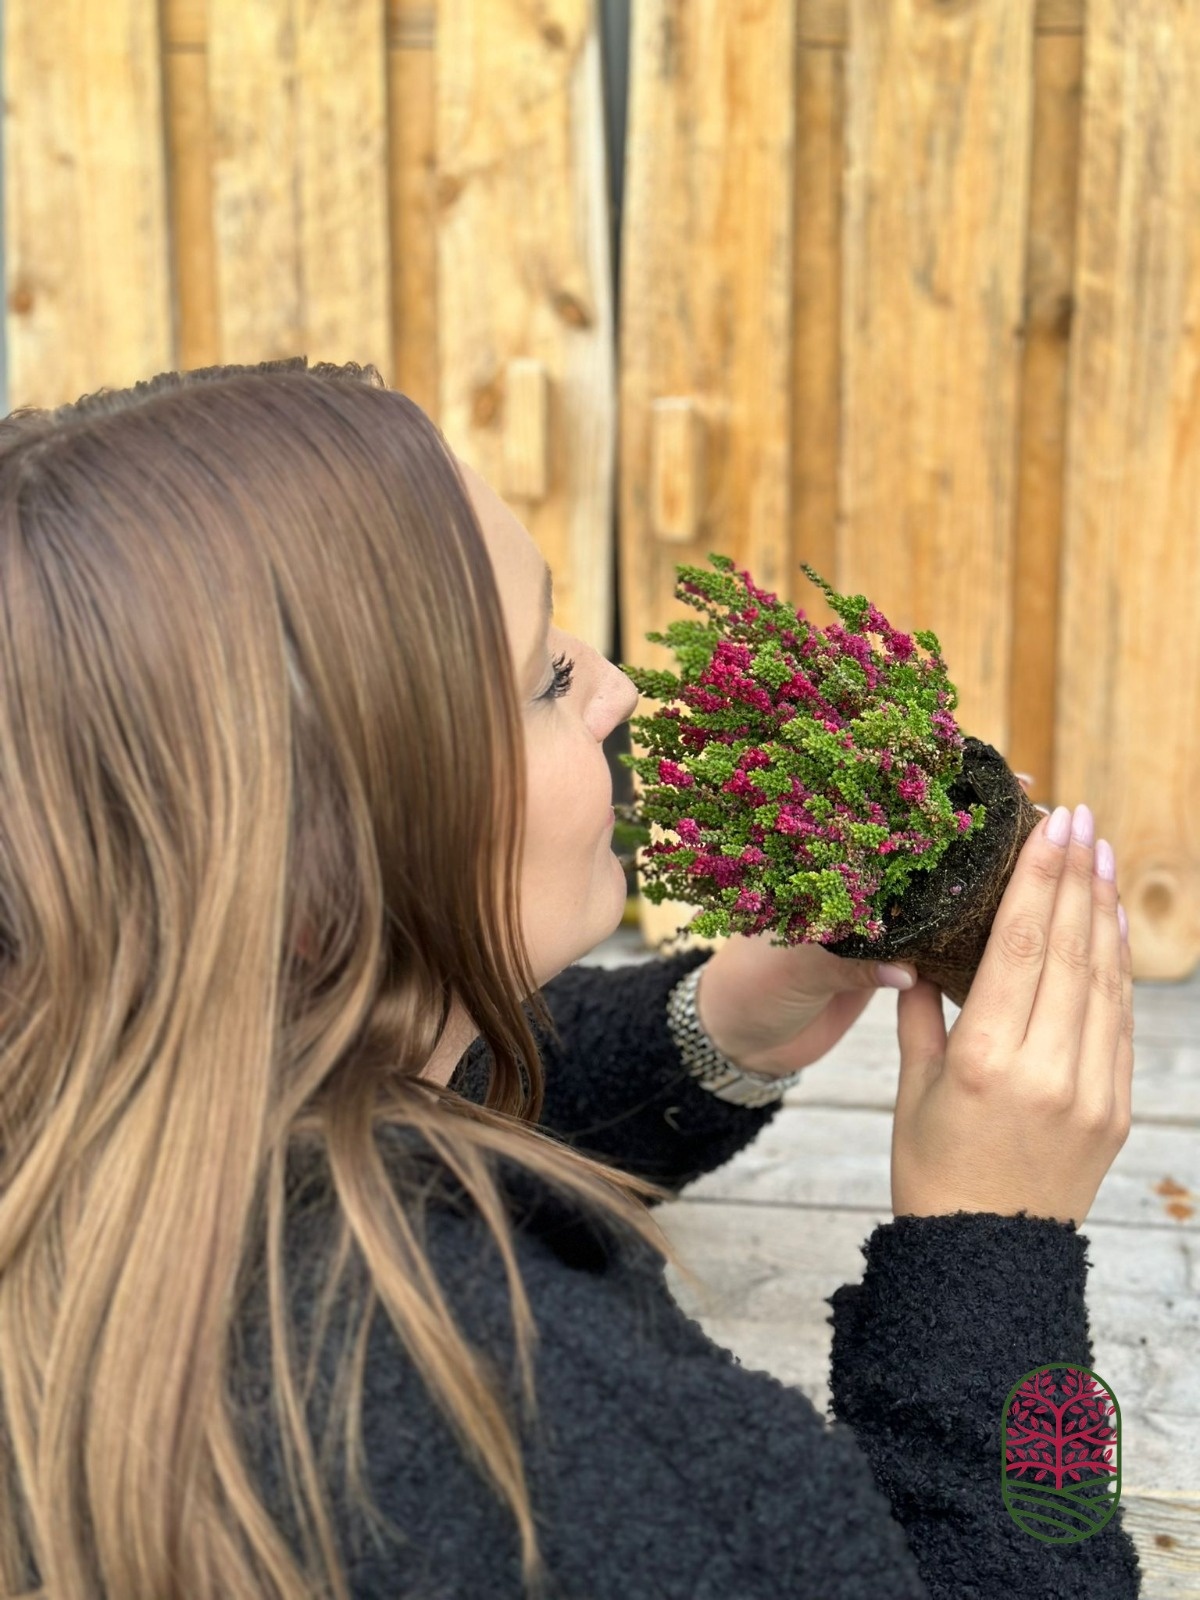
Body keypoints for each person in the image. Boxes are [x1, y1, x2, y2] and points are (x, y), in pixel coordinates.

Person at [0, 357, 1141, 1599]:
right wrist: (1003, 1260)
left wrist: (717, 1028)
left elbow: (448, 1095)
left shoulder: (103, 1114)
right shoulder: (548, 1437)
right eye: (547, 678)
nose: (615, 688)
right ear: (320, 879)